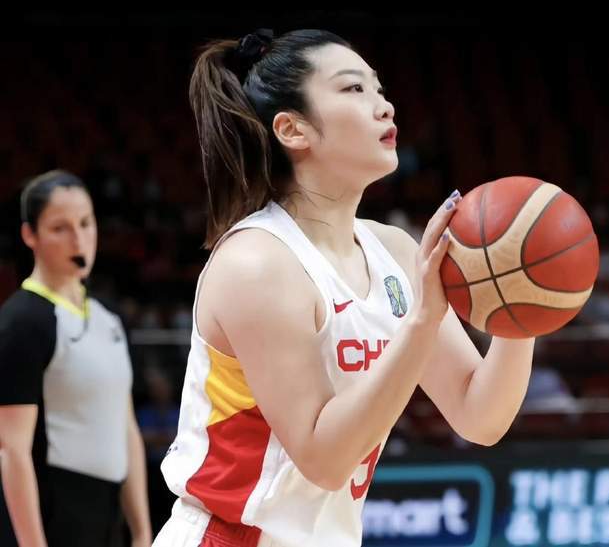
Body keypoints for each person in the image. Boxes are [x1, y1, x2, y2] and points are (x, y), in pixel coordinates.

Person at [153, 29, 535, 547]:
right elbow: (324, 460)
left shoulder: (394, 250)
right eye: (354, 89)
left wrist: (521, 308)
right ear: (293, 129)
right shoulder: (258, 263)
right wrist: (422, 320)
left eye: (379, 88)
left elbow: (479, 416)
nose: (384, 105)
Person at [0, 170, 152, 547]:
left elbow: (125, 426)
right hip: (54, 514)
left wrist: (141, 531)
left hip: (108, 519)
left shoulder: (109, 319)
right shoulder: (22, 322)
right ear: (30, 235)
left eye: (85, 223)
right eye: (60, 228)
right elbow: (11, 450)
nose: (78, 239)